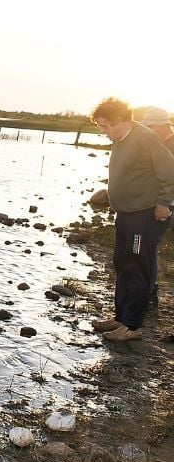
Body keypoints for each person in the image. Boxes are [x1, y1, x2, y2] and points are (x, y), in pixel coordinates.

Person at [89, 97, 174, 341]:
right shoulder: (120, 139)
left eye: (105, 126)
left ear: (119, 120)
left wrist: (162, 203)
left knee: (138, 267)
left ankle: (132, 326)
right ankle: (120, 316)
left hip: (144, 215)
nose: (103, 132)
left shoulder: (145, 137)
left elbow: (169, 171)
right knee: (122, 263)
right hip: (126, 214)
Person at [140, 106, 174, 301]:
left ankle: (149, 290)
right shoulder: (162, 143)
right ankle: (149, 287)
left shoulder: (170, 145)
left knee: (148, 246)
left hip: (167, 206)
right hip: (164, 204)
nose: (149, 131)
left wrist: (163, 204)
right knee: (149, 246)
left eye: (151, 126)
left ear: (162, 125)